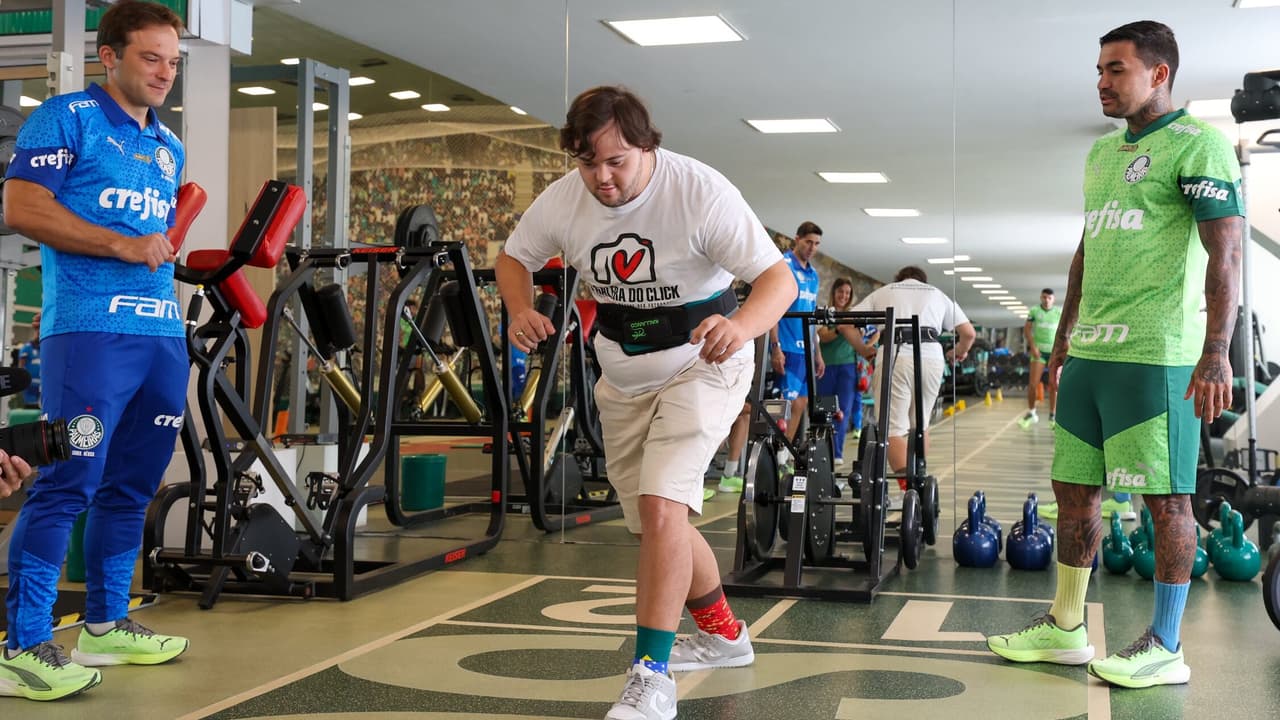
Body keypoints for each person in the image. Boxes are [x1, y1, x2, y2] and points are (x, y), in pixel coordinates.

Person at [496, 85, 795, 720]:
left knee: (663, 507)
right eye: (586, 163)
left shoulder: (700, 192)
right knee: (661, 525)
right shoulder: (566, 197)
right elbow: (513, 257)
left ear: (645, 145)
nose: (600, 178)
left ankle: (649, 677)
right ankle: (722, 635)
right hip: (622, 375)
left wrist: (740, 327)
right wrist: (521, 307)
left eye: (615, 161)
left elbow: (778, 280)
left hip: (703, 364)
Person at [986, 20, 1242, 689]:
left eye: (1116, 69)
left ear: (1159, 74)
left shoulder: (1200, 144)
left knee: (1167, 501)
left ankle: (1166, 643)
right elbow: (1088, 247)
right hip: (1092, 354)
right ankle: (1066, 627)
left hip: (1157, 354)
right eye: (1099, 70)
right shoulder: (1101, 155)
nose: (1102, 82)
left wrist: (1217, 347)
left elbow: (1227, 251)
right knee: (1074, 492)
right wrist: (1064, 332)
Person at [0, 0, 190, 702]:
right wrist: (121, 243)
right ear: (109, 56)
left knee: (132, 484)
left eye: (173, 61)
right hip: (88, 332)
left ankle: (108, 623)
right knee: (67, 482)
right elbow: (21, 208)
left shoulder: (168, 147)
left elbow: (154, 240)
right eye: (151, 57)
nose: (165, 72)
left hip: (160, 337)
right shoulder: (66, 118)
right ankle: (23, 644)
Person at [853, 266, 974, 498]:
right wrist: (957, 353)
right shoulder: (936, 293)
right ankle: (919, 481)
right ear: (923, 281)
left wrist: (864, 350)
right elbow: (969, 334)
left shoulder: (885, 291)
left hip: (896, 353)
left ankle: (910, 491)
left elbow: (845, 323)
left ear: (899, 278)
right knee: (920, 423)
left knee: (892, 428)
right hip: (931, 356)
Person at [770, 223, 824, 447]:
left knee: (801, 402)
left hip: (806, 350)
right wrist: (775, 347)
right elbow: (772, 310)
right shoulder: (784, 266)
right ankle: (770, 454)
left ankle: (785, 454)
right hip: (787, 347)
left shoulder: (813, 275)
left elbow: (811, 317)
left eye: (817, 244)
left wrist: (817, 353)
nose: (812, 247)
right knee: (784, 404)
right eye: (808, 242)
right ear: (797, 239)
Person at [816, 278, 875, 468]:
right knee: (824, 410)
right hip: (825, 367)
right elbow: (823, 336)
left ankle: (837, 452)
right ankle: (821, 450)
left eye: (847, 293)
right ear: (834, 292)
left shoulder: (853, 316)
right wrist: (841, 329)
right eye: (841, 291)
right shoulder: (825, 312)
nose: (844, 296)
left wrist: (865, 345)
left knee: (842, 410)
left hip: (848, 368)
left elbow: (869, 334)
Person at [1018, 288, 1061, 430]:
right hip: (1039, 353)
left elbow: (1064, 331)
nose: (1046, 300)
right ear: (1040, 298)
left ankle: (1053, 415)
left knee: (1053, 384)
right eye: (1044, 297)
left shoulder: (1058, 312)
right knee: (1033, 384)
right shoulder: (1034, 311)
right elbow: (1027, 330)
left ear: (1053, 299)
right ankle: (1031, 413)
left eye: (1049, 298)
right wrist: (1033, 347)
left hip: (1054, 353)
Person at [15, 312, 41, 409]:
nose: (39, 333)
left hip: (41, 386)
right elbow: (21, 366)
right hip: (29, 385)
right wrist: (20, 381)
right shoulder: (26, 348)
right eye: (37, 330)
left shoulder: (44, 349)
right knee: (30, 408)